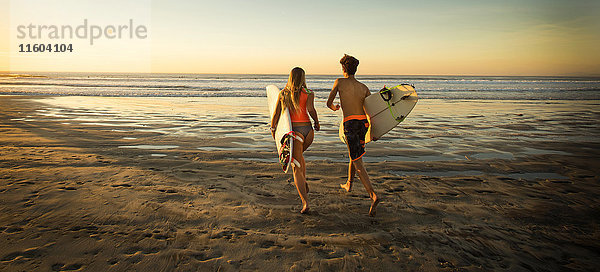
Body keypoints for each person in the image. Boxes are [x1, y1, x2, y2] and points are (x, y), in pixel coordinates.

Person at [326, 54, 379, 216]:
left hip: (350, 124)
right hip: (363, 124)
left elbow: (329, 103)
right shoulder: (364, 87)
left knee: (358, 162)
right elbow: (372, 111)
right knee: (354, 153)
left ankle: (373, 195)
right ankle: (349, 183)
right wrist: (375, 131)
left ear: (343, 69)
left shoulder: (339, 82)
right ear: (356, 69)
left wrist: (335, 108)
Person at [271, 67, 320, 214]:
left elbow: (276, 114)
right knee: (299, 158)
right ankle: (303, 183)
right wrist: (317, 122)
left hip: (295, 133)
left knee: (295, 166)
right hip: (308, 132)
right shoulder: (309, 93)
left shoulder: (284, 94)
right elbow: (311, 110)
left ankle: (305, 202)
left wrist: (274, 130)